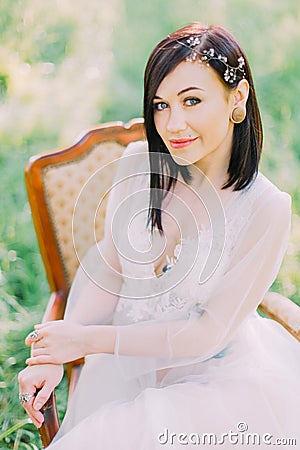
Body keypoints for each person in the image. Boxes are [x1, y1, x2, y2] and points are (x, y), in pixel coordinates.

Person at [18, 22, 300, 449]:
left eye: (192, 101)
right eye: (161, 105)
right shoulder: (138, 164)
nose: (174, 124)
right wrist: (55, 352)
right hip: (119, 370)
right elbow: (110, 268)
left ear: (236, 99)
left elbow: (207, 334)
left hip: (216, 386)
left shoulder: (267, 208)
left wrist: (87, 341)